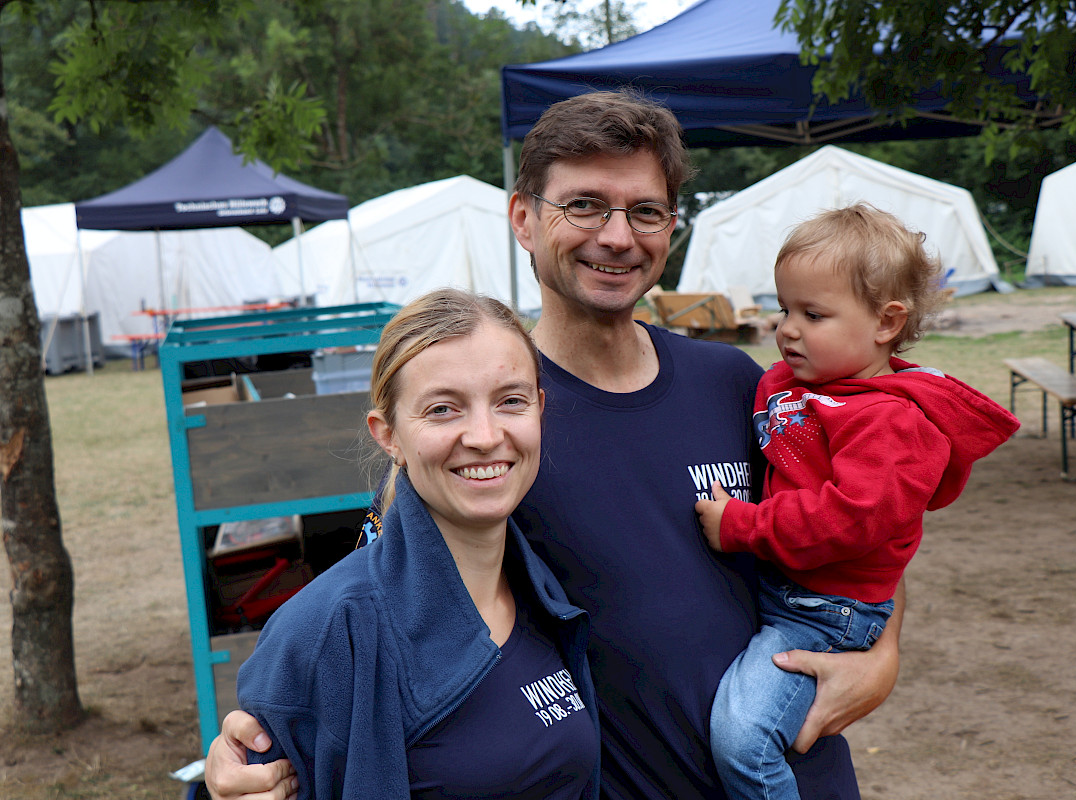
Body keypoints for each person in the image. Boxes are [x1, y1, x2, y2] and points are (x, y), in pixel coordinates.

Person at [206, 90, 903, 800]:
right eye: (585, 205)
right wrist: (242, 757)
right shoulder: (494, 440)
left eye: (645, 211)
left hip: (800, 777)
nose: (617, 236)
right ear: (524, 218)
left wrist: (884, 655)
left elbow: (874, 518)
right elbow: (373, 615)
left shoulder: (737, 385)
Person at [695, 204, 1020, 800]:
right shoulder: (804, 387)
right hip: (791, 593)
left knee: (742, 739)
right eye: (784, 308)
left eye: (813, 314)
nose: (787, 329)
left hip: (823, 613)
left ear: (886, 322)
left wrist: (741, 525)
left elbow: (850, 519)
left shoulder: (890, 421)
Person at [233, 289, 601, 799]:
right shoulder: (327, 634)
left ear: (539, 410)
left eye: (510, 401)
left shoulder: (543, 588)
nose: (483, 435)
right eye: (444, 409)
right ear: (390, 436)